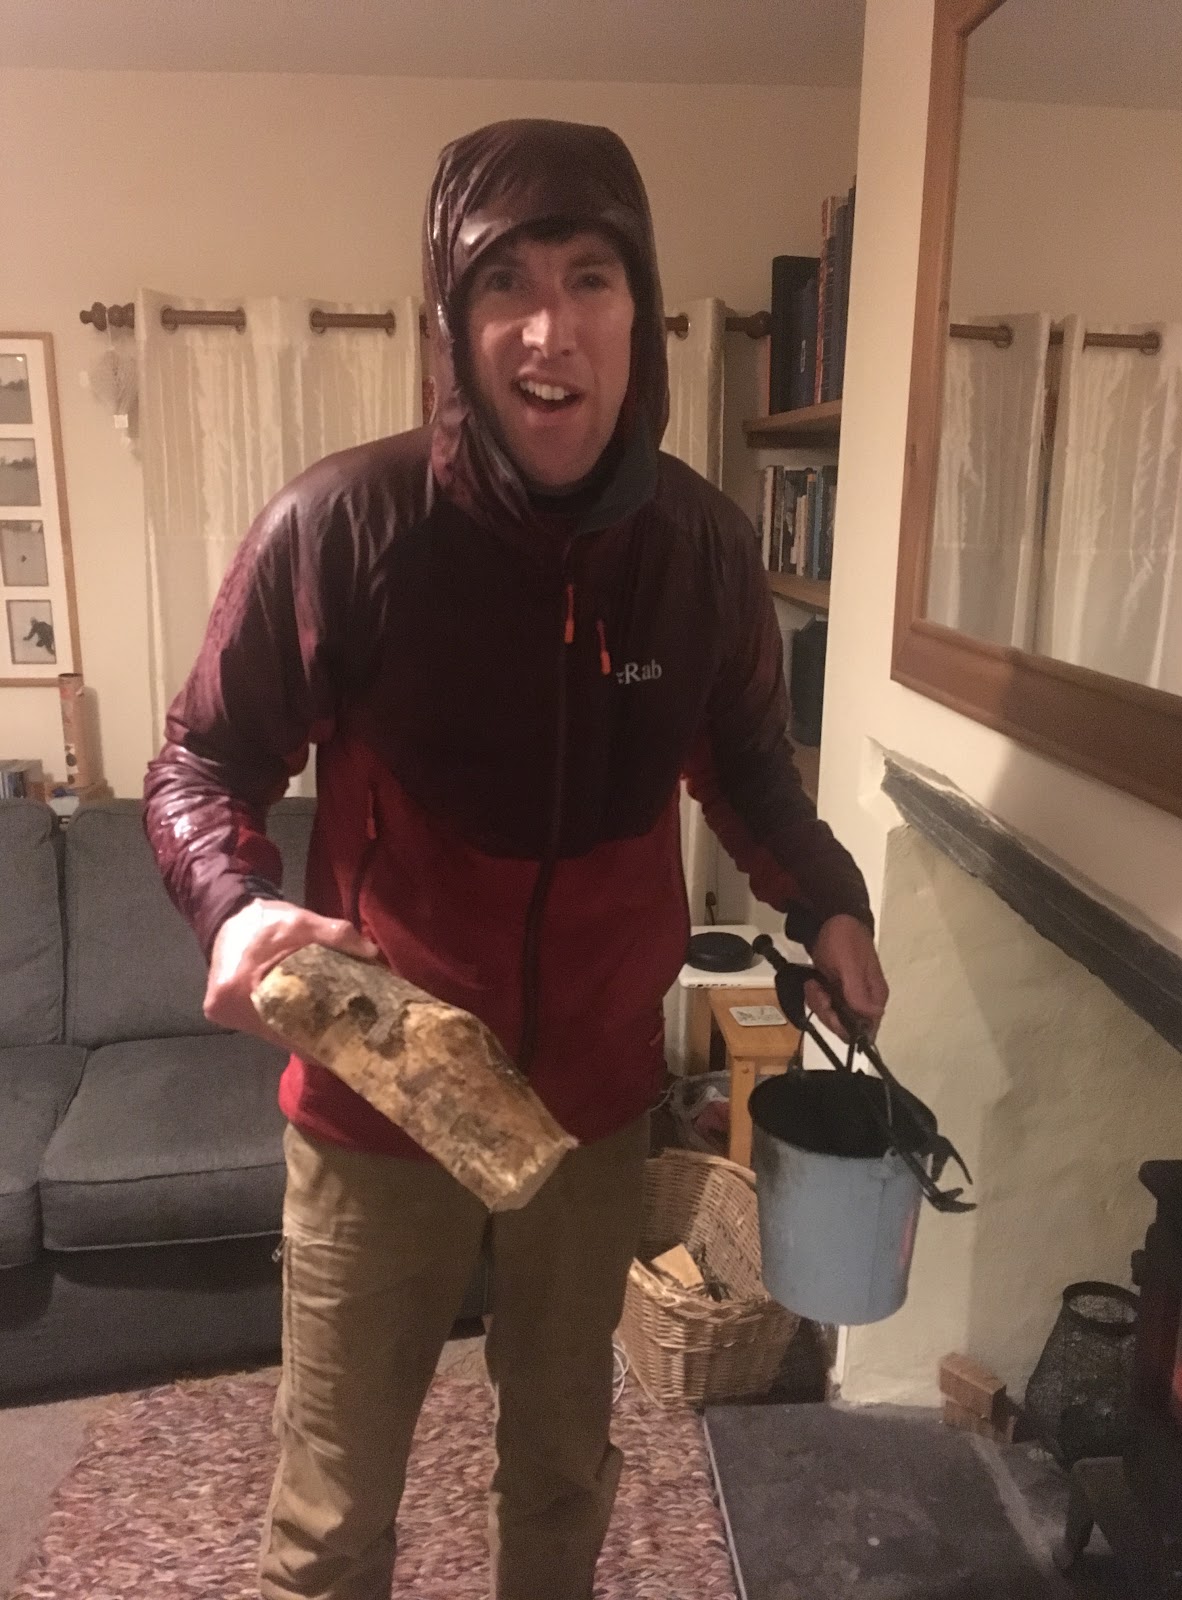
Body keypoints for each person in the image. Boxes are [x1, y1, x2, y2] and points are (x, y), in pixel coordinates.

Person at [144, 117, 888, 1600]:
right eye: (506, 285)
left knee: (562, 1471)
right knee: (331, 1515)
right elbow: (199, 766)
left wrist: (830, 903)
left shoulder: (703, 549)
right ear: (452, 318)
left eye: (590, 279)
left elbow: (749, 770)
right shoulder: (340, 527)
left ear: (641, 312)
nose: (550, 331)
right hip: (381, 1096)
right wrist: (231, 906)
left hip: (594, 1108)